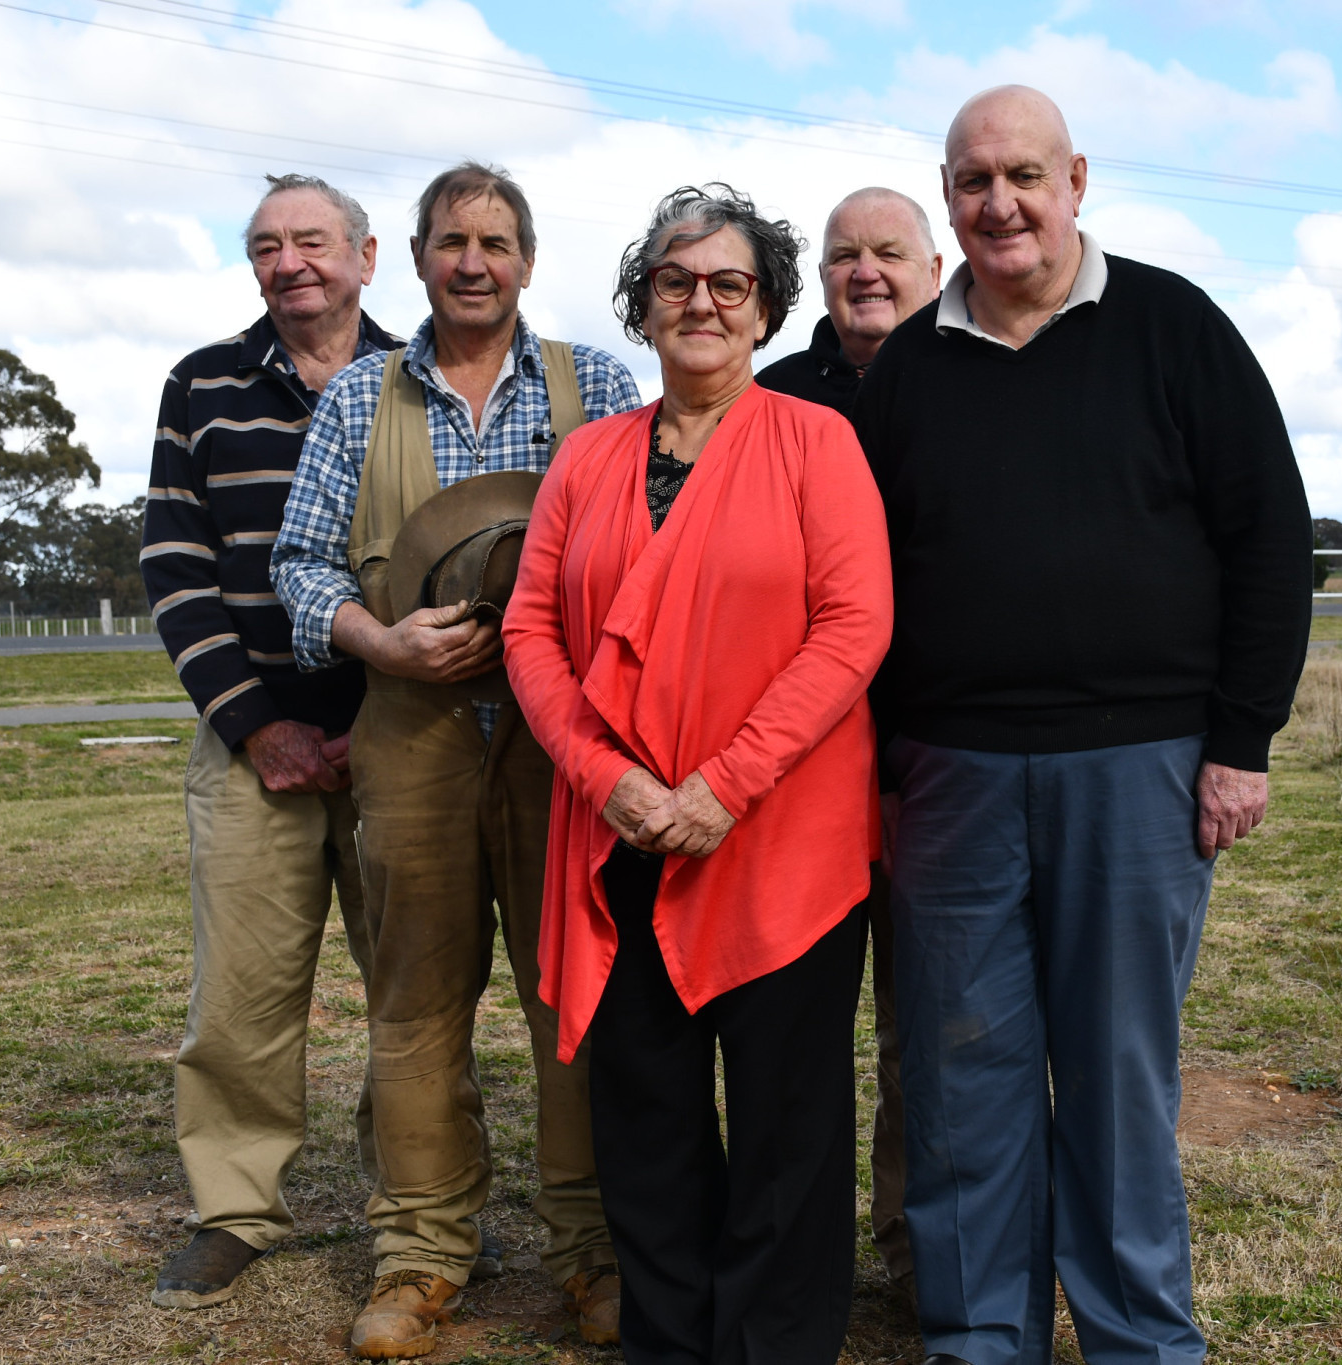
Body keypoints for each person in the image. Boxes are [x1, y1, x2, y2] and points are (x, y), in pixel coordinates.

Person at [853, 87, 1313, 1365]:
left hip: (1140, 770)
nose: (998, 202)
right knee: (963, 1078)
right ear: (946, 196)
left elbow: (1269, 542)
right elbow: (857, 580)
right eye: (971, 180)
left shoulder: (1173, 327)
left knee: (1116, 1080)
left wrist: (1240, 742)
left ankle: (1135, 1339)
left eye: (1023, 175)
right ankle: (977, 1336)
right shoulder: (907, 377)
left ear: (1076, 181)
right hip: (949, 777)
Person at [500, 182, 892, 1365]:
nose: (701, 302)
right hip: (618, 830)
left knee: (787, 1126)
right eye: (675, 282)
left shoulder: (816, 441)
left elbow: (853, 624)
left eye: (728, 283)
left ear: (765, 308)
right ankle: (668, 1339)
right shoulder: (587, 458)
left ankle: (773, 1341)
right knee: (648, 1118)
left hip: (777, 840)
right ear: (644, 305)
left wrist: (726, 784)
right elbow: (529, 630)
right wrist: (598, 774)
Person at [272, 162, 641, 1360]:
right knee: (416, 1008)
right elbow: (299, 563)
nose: (471, 261)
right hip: (410, 736)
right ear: (417, 258)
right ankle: (421, 1258)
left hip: (564, 744)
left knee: (573, 1002)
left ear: (527, 260)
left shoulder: (603, 387)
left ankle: (594, 1252)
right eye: (450, 241)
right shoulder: (357, 398)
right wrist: (380, 638)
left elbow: (651, 554)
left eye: (493, 241)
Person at [142, 173, 402, 1313]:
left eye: (311, 240)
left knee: (413, 992)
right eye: (265, 246)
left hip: (404, 738)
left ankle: (417, 1211)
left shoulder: (419, 379)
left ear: (366, 253)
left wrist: (378, 721)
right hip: (254, 738)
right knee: (242, 995)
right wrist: (254, 725)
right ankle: (234, 1209)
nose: (289, 262)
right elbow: (175, 567)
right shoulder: (199, 384)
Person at [753, 184, 941, 1296]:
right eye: (840, 257)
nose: (863, 272)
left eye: (887, 254)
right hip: (797, 766)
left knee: (929, 1029)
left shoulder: (974, 385)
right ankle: (797, 1258)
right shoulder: (769, 401)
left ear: (931, 267)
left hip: (934, 761)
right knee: (795, 1032)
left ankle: (921, 1251)